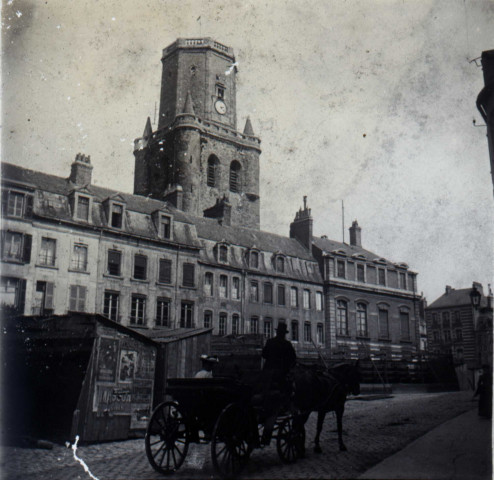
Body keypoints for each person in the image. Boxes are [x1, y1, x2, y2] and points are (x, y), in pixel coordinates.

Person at [260, 323, 296, 445]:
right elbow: (293, 360)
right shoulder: (287, 345)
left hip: (266, 377)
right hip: (280, 378)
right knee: (290, 390)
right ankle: (287, 406)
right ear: (284, 333)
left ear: (276, 332)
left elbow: (263, 355)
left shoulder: (270, 342)